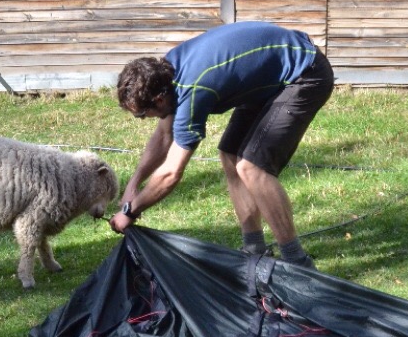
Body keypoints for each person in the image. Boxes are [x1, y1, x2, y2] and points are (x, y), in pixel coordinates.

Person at [109, 21, 335, 269]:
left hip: (305, 73)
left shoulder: (193, 89)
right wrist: (133, 183)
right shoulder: (165, 74)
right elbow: (164, 136)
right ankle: (255, 250)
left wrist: (130, 212)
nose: (143, 120)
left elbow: (171, 173)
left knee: (252, 168)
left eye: (142, 115)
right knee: (229, 155)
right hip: (267, 79)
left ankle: (298, 262)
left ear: (159, 100)